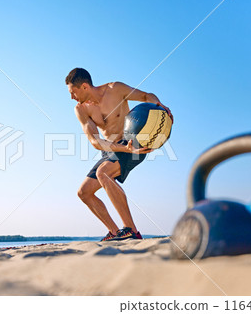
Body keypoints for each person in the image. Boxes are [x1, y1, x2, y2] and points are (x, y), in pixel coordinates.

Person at [65, 68, 173, 241]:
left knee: (103, 173)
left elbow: (147, 96)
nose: (72, 97)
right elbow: (94, 141)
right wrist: (122, 149)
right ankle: (115, 232)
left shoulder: (115, 89)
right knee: (84, 192)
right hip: (112, 150)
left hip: (133, 143)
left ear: (84, 86)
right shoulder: (81, 110)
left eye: (73, 92)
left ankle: (130, 230)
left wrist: (159, 105)